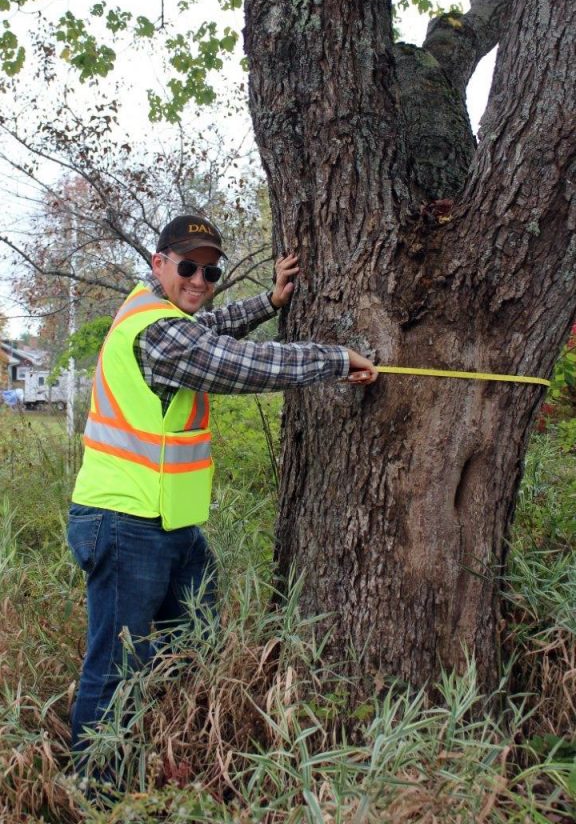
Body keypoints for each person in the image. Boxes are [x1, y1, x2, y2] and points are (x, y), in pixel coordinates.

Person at [67, 213, 378, 761]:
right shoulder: (157, 332)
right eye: (187, 267)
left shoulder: (159, 315)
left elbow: (210, 330)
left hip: (165, 521)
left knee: (194, 634)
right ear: (159, 263)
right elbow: (239, 364)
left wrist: (270, 303)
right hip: (124, 522)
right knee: (116, 667)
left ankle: (157, 754)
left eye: (210, 273)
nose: (199, 281)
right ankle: (95, 790)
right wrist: (333, 359)